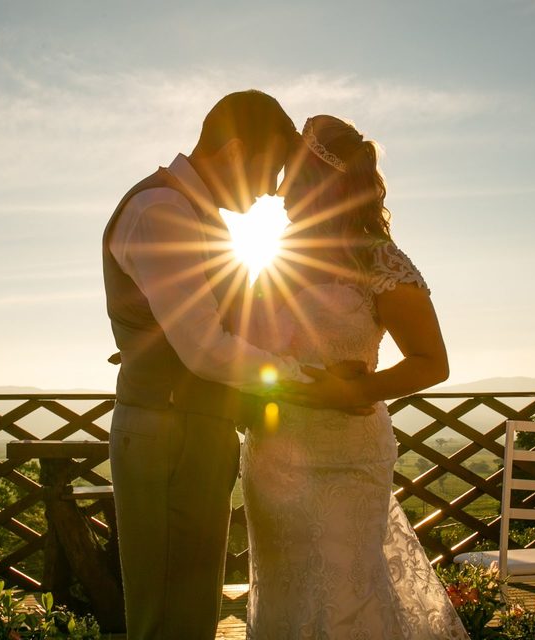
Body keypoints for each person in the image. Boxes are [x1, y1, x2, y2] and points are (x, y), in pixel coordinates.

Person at [102, 91, 363, 639]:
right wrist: (308, 378)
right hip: (168, 432)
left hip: (192, 429)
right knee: (169, 618)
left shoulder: (191, 214)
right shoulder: (163, 211)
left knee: (190, 610)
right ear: (238, 150)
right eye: (270, 168)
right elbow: (204, 347)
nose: (272, 187)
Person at [240, 115, 470, 639]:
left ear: (326, 185)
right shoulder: (273, 256)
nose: (277, 192)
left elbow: (433, 363)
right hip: (271, 453)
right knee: (283, 595)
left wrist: (355, 389)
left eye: (292, 180)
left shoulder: (379, 259)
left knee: (343, 597)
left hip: (347, 457)